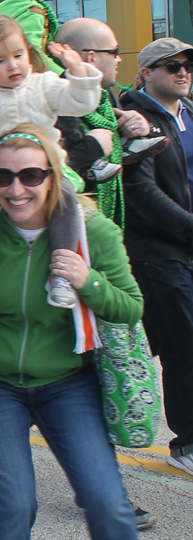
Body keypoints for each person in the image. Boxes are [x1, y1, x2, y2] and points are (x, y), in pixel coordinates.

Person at [0, 122, 143, 540]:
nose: (16, 189)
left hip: (68, 382)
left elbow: (131, 307)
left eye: (31, 175)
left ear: (53, 175)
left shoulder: (91, 230)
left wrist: (89, 281)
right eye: (2, 176)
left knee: (107, 503)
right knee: (14, 505)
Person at [0, 14, 102, 311]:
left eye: (18, 55)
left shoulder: (43, 84)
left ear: (28, 52)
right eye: (0, 61)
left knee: (67, 202)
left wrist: (77, 70)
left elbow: (82, 103)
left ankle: (60, 276)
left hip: (42, 175)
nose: (13, 65)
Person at [121, 37, 193, 477]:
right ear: (146, 72)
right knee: (184, 343)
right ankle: (186, 441)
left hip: (186, 245)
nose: (182, 71)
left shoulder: (189, 113)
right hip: (157, 251)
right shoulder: (134, 120)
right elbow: (141, 191)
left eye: (187, 64)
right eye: (171, 65)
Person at [54, 18, 168, 223]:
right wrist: (93, 147)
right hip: (72, 231)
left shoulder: (105, 96)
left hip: (110, 230)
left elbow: (123, 173)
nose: (119, 59)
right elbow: (44, 173)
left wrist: (138, 131)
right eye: (114, 52)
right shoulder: (54, 100)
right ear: (92, 58)